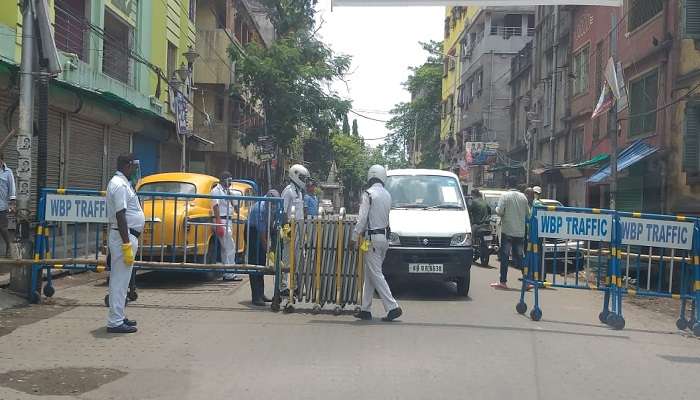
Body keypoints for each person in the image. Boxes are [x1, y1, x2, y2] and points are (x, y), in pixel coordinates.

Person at [352, 165, 402, 322]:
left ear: (370, 177)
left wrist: (354, 237)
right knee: (371, 274)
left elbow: (362, 219)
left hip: (372, 239)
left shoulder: (368, 194)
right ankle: (365, 309)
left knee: (376, 274)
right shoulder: (387, 195)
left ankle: (392, 307)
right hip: (384, 239)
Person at [106, 154, 144, 333]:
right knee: (119, 282)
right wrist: (127, 244)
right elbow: (121, 216)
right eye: (135, 168)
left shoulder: (124, 184)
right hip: (124, 237)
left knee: (123, 281)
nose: (136, 171)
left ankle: (119, 316)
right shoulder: (119, 185)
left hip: (126, 236)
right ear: (127, 166)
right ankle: (115, 321)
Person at [491, 176, 529, 290]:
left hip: (507, 231)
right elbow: (528, 214)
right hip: (520, 232)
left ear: (508, 185)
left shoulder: (505, 196)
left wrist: (497, 209)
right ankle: (527, 281)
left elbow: (500, 211)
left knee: (505, 257)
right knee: (520, 257)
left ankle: (503, 282)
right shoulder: (523, 197)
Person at [280, 164, 309, 295]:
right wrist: (287, 229)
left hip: (300, 227)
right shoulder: (288, 191)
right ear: (295, 175)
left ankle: (296, 286)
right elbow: (283, 211)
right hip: (290, 227)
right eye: (302, 177)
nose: (304, 180)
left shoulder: (299, 192)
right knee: (287, 257)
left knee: (299, 258)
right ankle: (283, 286)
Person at [247, 189, 279, 306]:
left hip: (262, 230)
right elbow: (261, 233)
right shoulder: (259, 208)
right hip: (253, 232)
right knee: (255, 263)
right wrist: (267, 248)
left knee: (261, 263)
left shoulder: (274, 203)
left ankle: (261, 294)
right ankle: (256, 296)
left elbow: (271, 223)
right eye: (272, 204)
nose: (274, 206)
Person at [211, 171, 242, 282]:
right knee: (230, 247)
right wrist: (219, 223)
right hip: (222, 220)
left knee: (226, 248)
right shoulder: (216, 191)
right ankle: (230, 274)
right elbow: (215, 206)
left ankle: (227, 272)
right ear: (223, 180)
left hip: (228, 220)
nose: (230, 183)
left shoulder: (228, 192)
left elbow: (237, 209)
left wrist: (232, 197)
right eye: (229, 180)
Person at [468, 188, 491, 266]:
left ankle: (472, 249)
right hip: (487, 225)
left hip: (477, 225)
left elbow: (468, 211)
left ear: (474, 194)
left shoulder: (474, 202)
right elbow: (490, 210)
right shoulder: (485, 202)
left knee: (470, 239)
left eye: (472, 195)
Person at [0, 153, 16, 258]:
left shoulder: (8, 172)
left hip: (2, 206)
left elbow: (12, 188)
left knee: (3, 228)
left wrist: (13, 203)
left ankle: (9, 246)